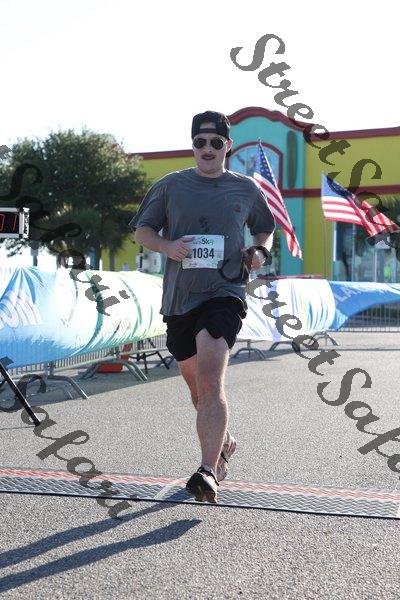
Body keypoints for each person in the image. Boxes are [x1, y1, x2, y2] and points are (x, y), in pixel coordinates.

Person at [129, 110, 275, 503]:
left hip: (225, 292)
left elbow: (265, 227)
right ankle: (223, 443)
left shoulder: (245, 188)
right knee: (197, 390)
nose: (207, 149)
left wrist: (259, 250)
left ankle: (207, 470)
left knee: (211, 380)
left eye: (215, 142)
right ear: (192, 145)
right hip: (180, 299)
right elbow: (143, 231)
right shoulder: (170, 186)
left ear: (228, 146)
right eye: (200, 142)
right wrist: (167, 246)